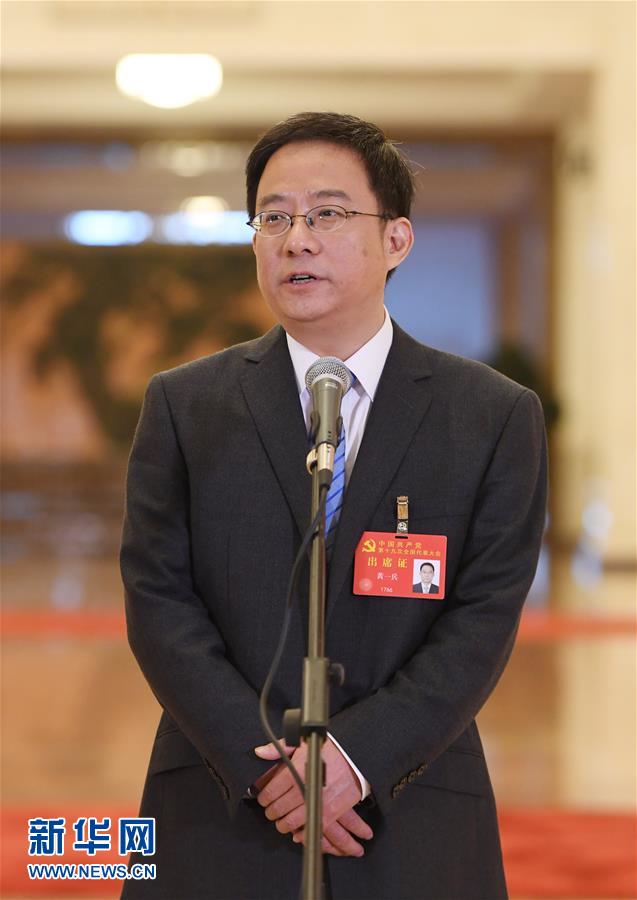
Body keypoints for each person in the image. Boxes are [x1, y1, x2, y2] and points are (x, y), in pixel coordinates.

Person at [120, 111, 548, 900]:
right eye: (274, 217)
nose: (296, 240)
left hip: (407, 801)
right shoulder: (185, 405)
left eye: (326, 214)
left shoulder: (489, 415)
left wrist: (356, 758)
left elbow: (483, 616)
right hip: (222, 799)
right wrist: (264, 767)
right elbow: (157, 598)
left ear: (396, 239)